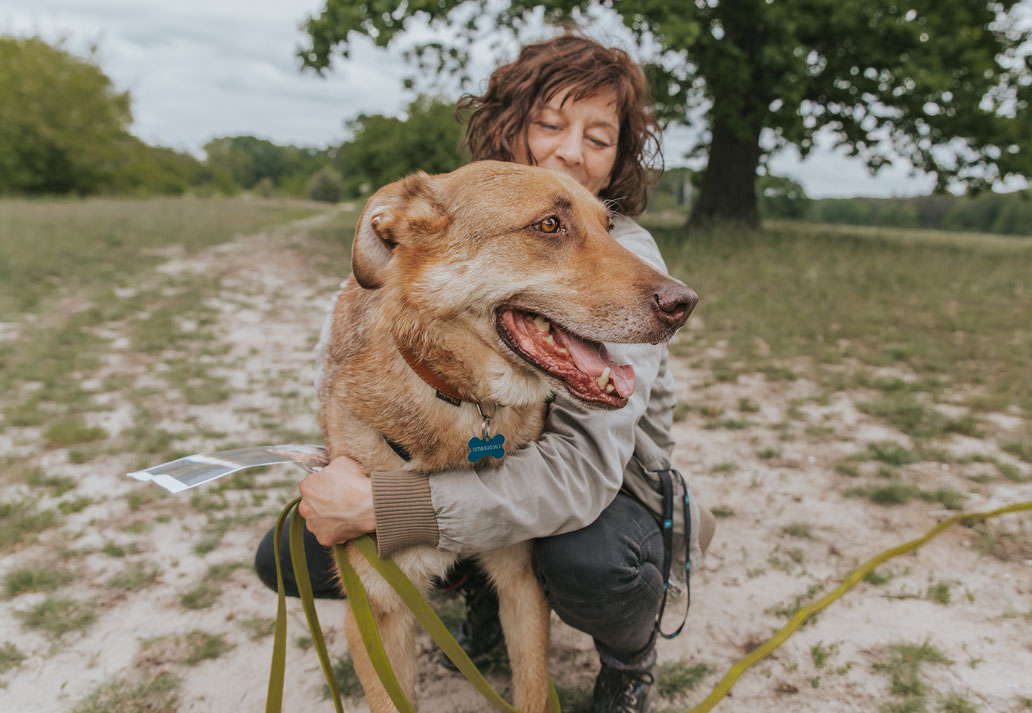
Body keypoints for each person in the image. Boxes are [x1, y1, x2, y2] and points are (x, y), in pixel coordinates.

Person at [254, 34, 714, 713]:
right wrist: (346, 470)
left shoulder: (622, 252)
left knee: (588, 561)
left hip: (594, 496)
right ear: (512, 126)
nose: (569, 150)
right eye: (550, 123)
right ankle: (469, 593)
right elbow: (343, 360)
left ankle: (628, 655)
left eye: (599, 136)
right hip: (473, 472)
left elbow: (577, 475)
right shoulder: (447, 224)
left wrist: (389, 508)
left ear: (618, 156)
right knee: (288, 552)